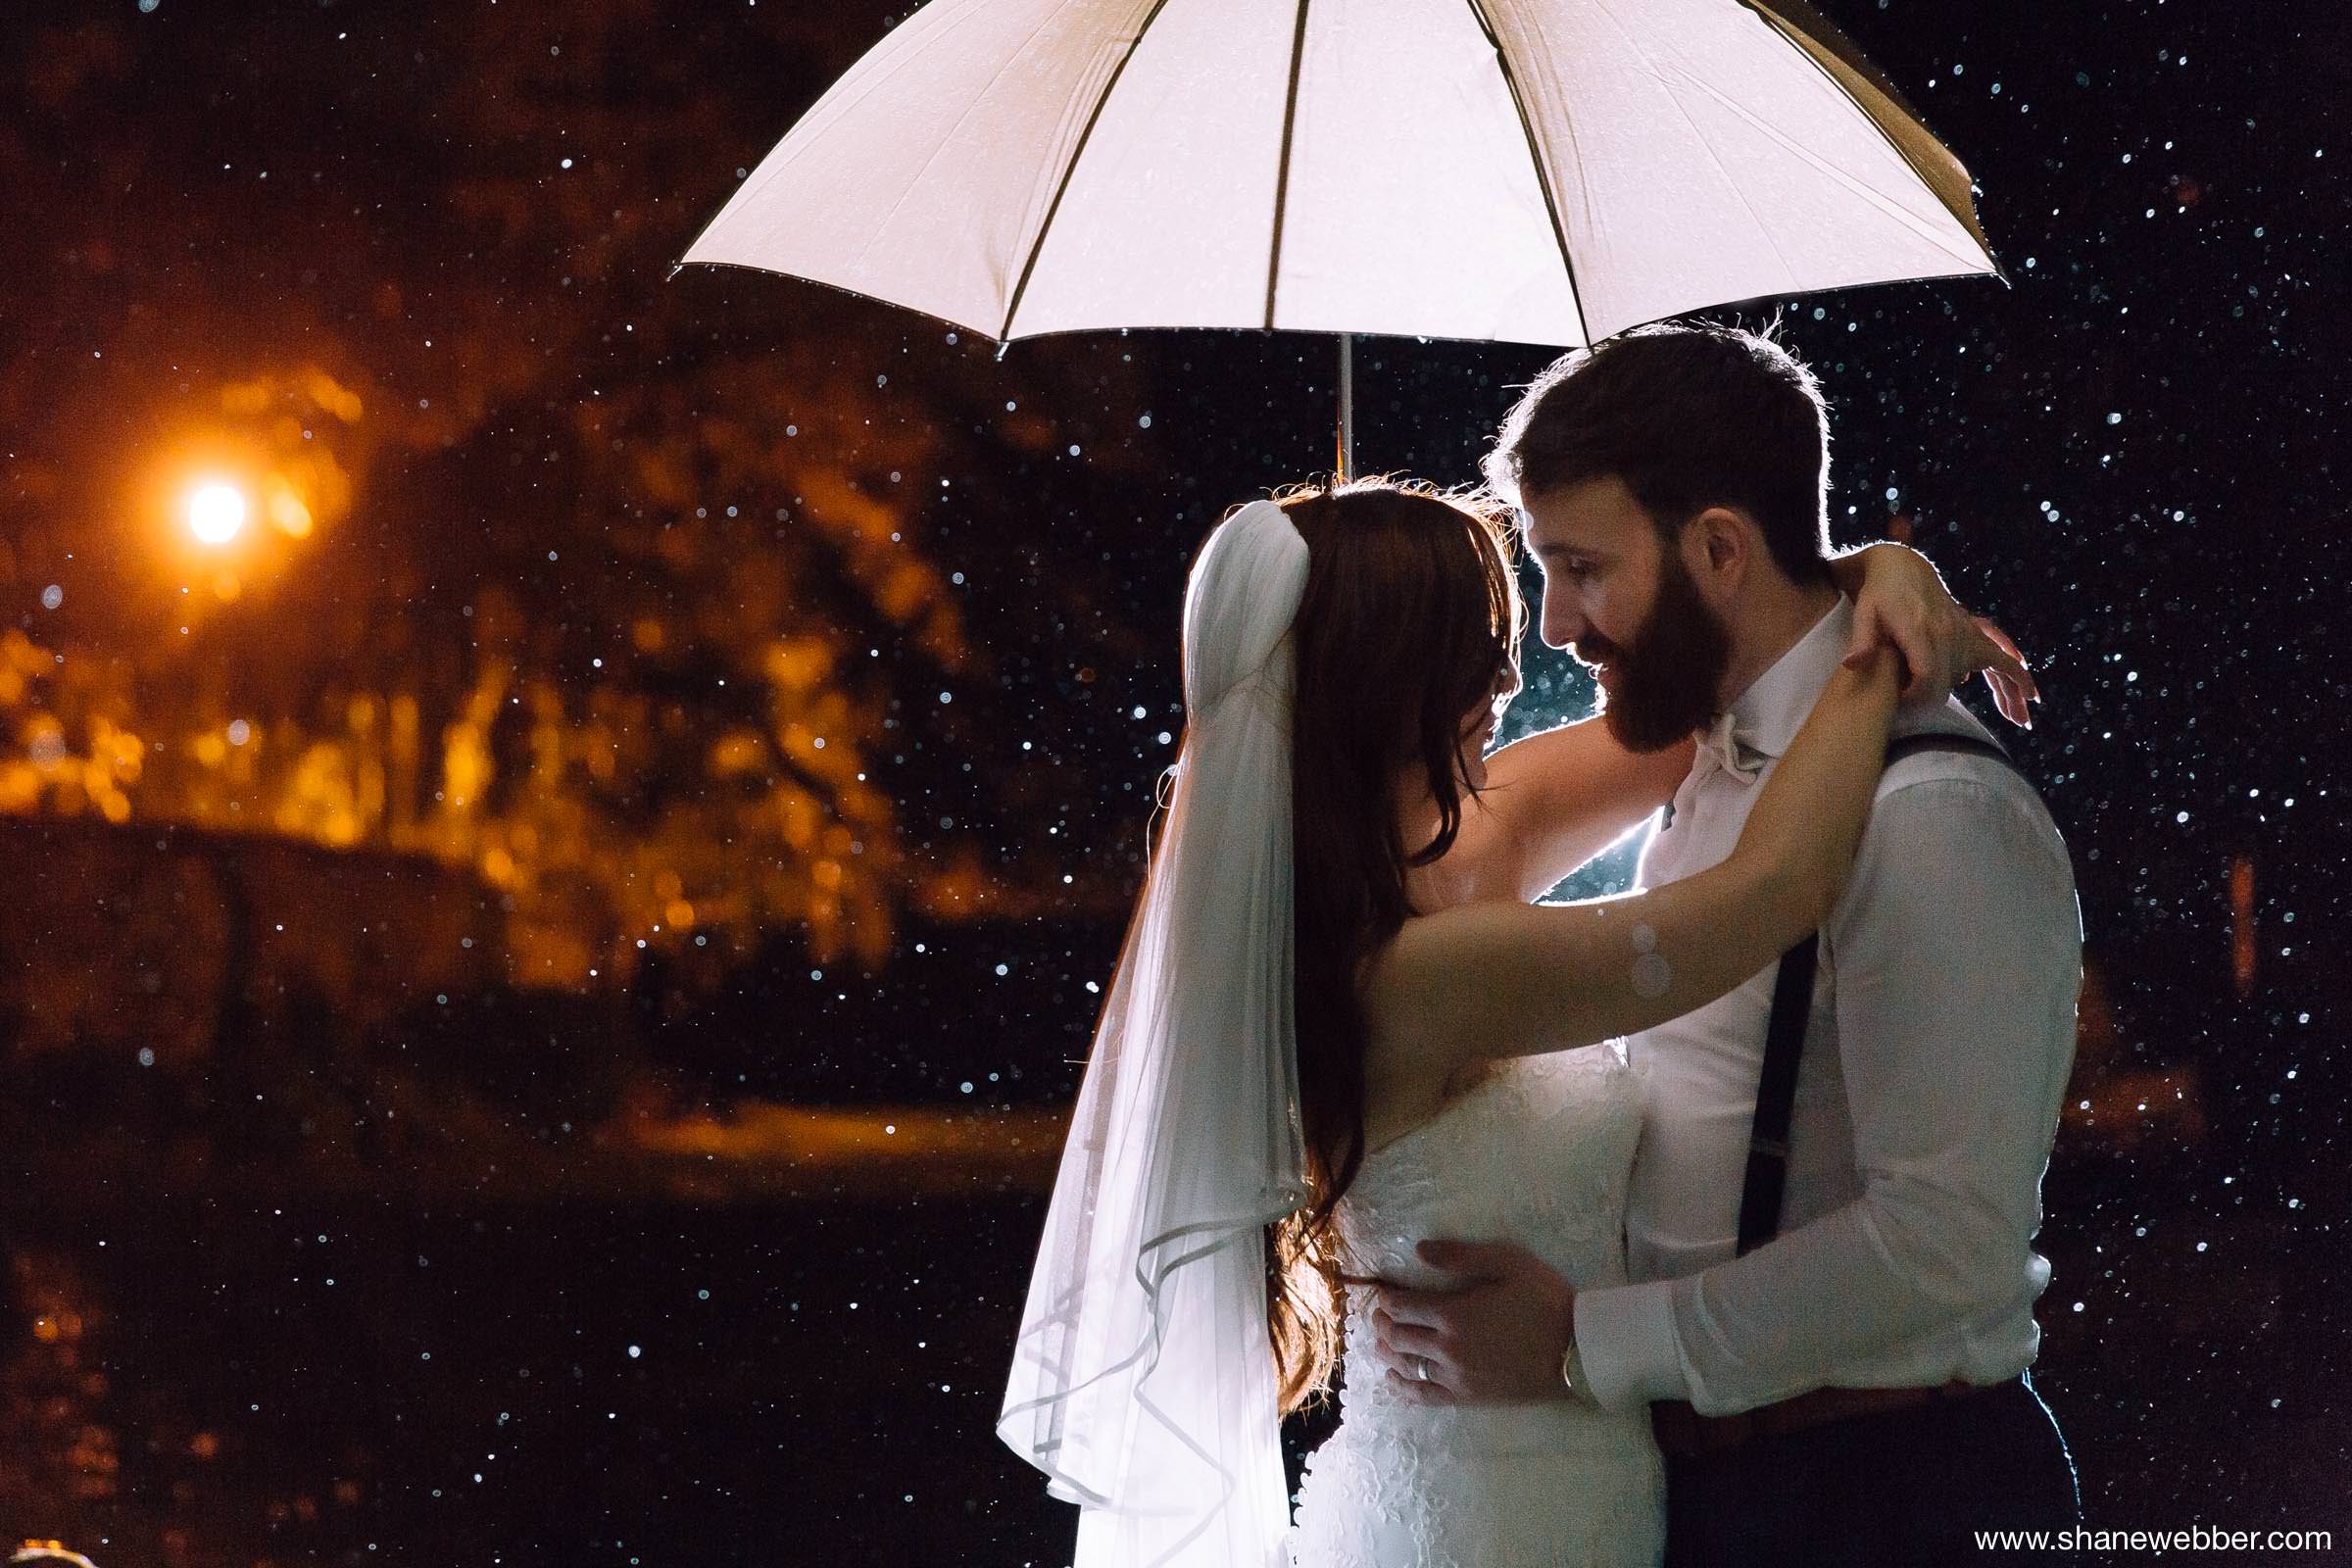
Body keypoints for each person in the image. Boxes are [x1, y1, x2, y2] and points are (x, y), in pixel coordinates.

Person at [1001, 453, 2030, 1564]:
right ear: (1393, 687)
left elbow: (1710, 704)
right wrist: (1880, 661)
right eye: (1476, 649)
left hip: (1559, 1475)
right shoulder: (1417, 976)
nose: (1511, 672)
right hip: (1497, 1515)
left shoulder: (1449, 850)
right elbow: (1776, 889)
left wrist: (1873, 575)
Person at [1368, 322, 2083, 1565]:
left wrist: (1588, 1343)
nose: (1555, 626)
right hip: (1705, 1495)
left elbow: (1949, 1242)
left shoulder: (1932, 810)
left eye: (1582, 567)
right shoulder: (1698, 754)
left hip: (1885, 1498)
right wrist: (1876, 576)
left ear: (1717, 550)